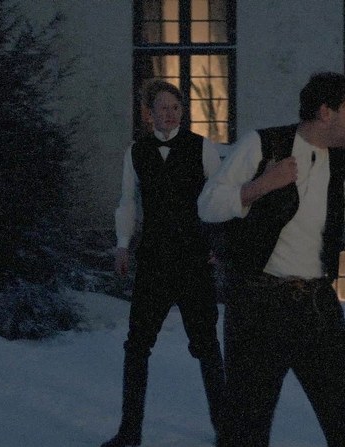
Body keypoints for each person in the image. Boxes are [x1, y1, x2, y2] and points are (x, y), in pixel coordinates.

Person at [197, 71, 345, 446]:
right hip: (257, 305)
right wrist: (261, 185)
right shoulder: (263, 145)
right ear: (325, 112)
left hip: (315, 306)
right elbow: (208, 204)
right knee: (246, 424)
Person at [103, 79, 228, 447]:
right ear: (149, 113)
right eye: (162, 108)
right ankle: (130, 432)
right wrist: (122, 246)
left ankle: (226, 431)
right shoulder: (136, 152)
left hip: (194, 261)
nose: (170, 114)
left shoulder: (203, 148)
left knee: (207, 345)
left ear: (182, 111)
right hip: (154, 261)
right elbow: (127, 201)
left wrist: (218, 244)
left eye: (175, 107)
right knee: (137, 346)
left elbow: (219, 199)